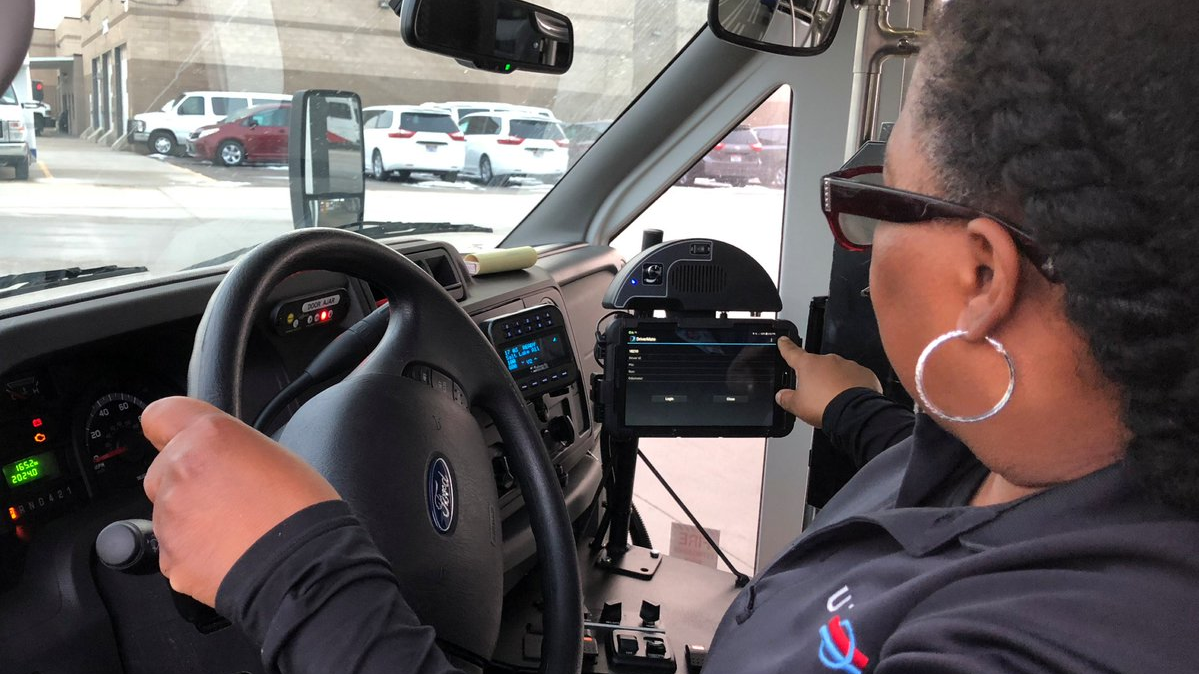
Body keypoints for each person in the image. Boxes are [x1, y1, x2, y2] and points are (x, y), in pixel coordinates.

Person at [140, 0, 1199, 671]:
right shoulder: (1043, 453)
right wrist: (852, 405)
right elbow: (941, 496)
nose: (864, 235)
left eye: (872, 202)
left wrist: (297, 570)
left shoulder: (1046, 648)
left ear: (979, 276)